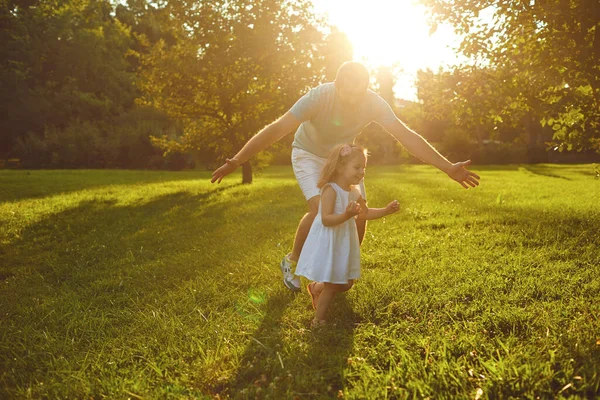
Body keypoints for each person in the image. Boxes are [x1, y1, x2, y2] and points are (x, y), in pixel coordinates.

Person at [211, 61, 480, 293]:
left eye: (359, 93)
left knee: (358, 212)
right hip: (309, 154)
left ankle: (341, 272)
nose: (354, 101)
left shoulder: (373, 102)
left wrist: (447, 167)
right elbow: (277, 129)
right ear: (337, 85)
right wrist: (237, 160)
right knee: (321, 210)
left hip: (342, 158)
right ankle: (292, 261)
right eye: (349, 94)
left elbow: (406, 136)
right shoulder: (317, 97)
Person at [296, 143, 399, 327]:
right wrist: (347, 215)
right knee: (333, 284)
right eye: (357, 167)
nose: (362, 172)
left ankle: (316, 287)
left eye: (364, 168)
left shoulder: (354, 191)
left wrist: (386, 211)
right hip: (330, 240)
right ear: (341, 167)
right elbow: (326, 219)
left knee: (346, 283)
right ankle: (318, 321)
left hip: (343, 241)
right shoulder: (331, 190)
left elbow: (365, 213)